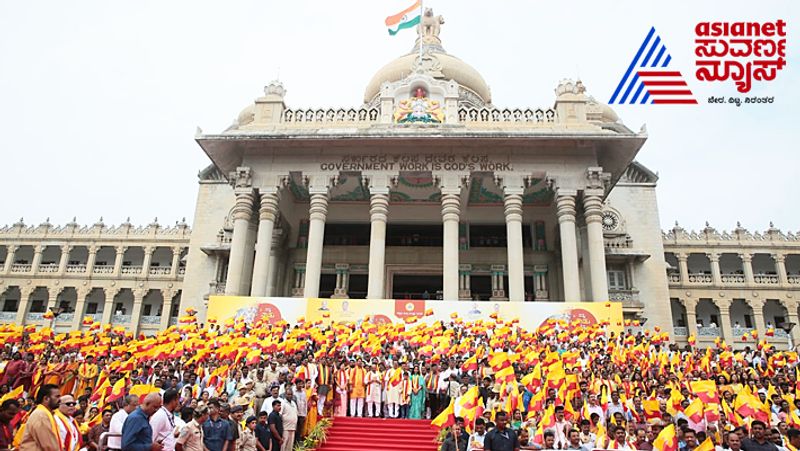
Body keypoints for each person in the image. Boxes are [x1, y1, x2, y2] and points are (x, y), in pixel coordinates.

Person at [19, 384, 62, 451]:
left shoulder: (46, 413)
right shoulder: (41, 415)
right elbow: (48, 445)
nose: (60, 400)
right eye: (57, 397)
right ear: (46, 399)